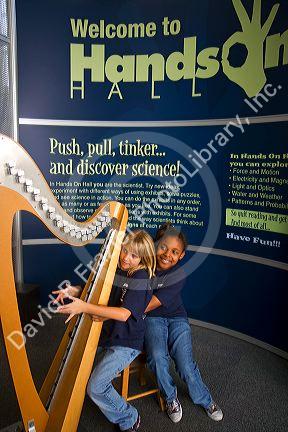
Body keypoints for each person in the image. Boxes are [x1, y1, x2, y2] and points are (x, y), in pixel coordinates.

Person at [54, 230, 156, 432]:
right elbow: (97, 290)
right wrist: (74, 291)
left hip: (126, 344)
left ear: (143, 258)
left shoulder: (141, 277)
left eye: (134, 255)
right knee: (74, 364)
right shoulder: (118, 268)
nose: (126, 257)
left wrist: (84, 307)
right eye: (124, 250)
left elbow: (124, 314)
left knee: (95, 386)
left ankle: (129, 417)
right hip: (108, 336)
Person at [144, 223, 223, 423]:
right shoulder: (143, 266)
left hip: (176, 318)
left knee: (185, 364)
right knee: (157, 357)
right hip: (153, 320)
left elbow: (146, 305)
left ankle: (205, 400)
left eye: (174, 252)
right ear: (155, 245)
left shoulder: (178, 274)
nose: (166, 254)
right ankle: (171, 398)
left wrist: (121, 308)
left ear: (181, 256)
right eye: (163, 247)